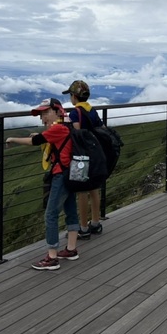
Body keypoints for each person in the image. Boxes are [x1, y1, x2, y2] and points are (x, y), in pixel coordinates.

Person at [6, 98, 80, 270]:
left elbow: (36, 141)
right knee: (70, 210)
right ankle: (71, 249)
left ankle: (52, 257)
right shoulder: (67, 124)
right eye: (41, 114)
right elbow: (50, 139)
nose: (43, 118)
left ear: (57, 111)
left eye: (46, 113)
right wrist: (39, 136)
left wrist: (13, 139)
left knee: (51, 214)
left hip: (61, 175)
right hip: (72, 174)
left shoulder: (58, 128)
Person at [62, 80, 105, 240]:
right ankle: (95, 223)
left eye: (71, 95)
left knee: (81, 192)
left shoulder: (75, 113)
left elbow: (76, 133)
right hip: (95, 154)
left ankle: (83, 228)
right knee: (94, 189)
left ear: (74, 96)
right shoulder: (92, 111)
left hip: (81, 156)